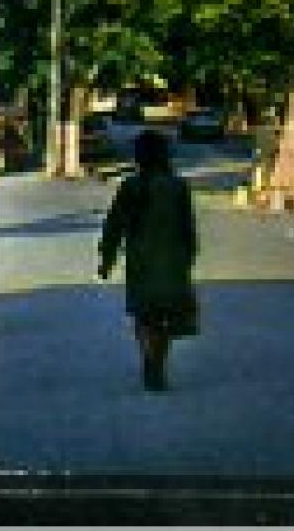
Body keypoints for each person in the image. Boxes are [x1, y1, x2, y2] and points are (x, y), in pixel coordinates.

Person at [98, 130, 199, 392]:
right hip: (172, 261)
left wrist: (106, 260)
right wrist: (188, 258)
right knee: (166, 316)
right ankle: (158, 363)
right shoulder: (178, 186)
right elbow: (188, 228)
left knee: (145, 316)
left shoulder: (131, 186)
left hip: (140, 262)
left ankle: (148, 358)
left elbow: (114, 226)